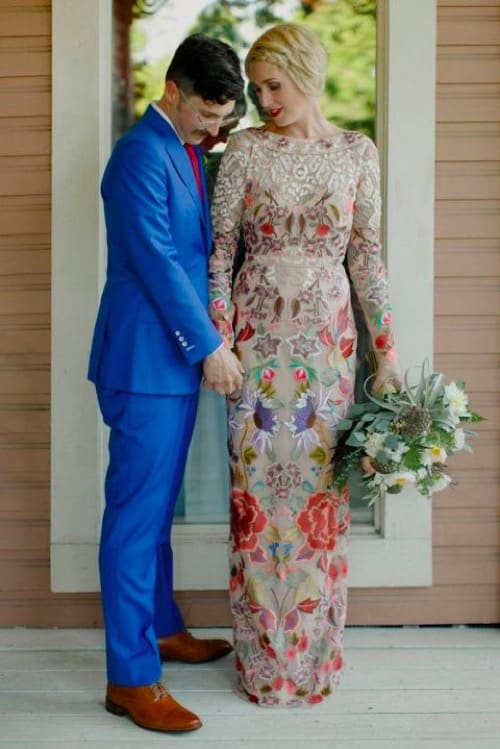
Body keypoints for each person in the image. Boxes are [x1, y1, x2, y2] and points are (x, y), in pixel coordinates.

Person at [207, 23, 402, 707]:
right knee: (256, 505)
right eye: (256, 89)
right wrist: (220, 342)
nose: (264, 101)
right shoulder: (245, 150)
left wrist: (388, 353)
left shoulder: (356, 152)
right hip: (256, 351)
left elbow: (367, 259)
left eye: (273, 85)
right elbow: (220, 252)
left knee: (321, 500)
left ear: (306, 73)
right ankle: (264, 667)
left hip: (328, 353)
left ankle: (314, 662)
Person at [87, 33, 244, 733]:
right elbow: (155, 259)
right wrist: (209, 344)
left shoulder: (183, 147)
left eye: (222, 119)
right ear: (172, 91)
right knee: (134, 520)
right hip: (144, 363)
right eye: (206, 114)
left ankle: (162, 628)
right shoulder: (138, 155)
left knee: (154, 515)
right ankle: (130, 678)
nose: (213, 130)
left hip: (167, 365)